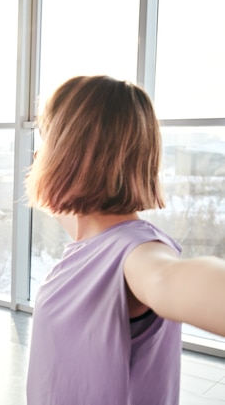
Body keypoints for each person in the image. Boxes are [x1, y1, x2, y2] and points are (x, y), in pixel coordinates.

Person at [24, 75, 225, 405]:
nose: (37, 155)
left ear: (69, 154)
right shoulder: (92, 243)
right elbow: (72, 216)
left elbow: (167, 278)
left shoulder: (136, 255)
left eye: (46, 141)